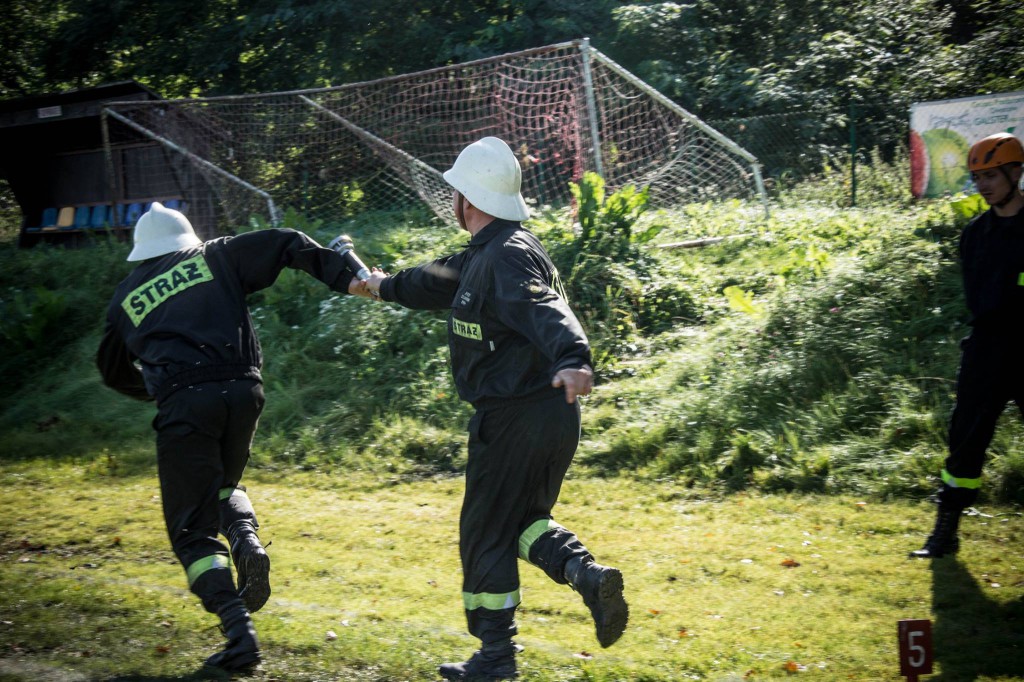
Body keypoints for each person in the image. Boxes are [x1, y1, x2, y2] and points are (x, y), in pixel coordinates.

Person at [349, 137, 629, 680]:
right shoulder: (483, 256)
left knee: (484, 532)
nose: (453, 199)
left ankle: (496, 658)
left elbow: (547, 310)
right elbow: (427, 282)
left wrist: (574, 358)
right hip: (542, 416)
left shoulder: (508, 256)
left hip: (517, 416)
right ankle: (587, 575)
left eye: (455, 190)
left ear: (467, 198)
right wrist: (378, 286)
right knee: (520, 523)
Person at [97, 202, 360, 672]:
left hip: (185, 403)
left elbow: (112, 372)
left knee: (191, 531)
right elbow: (287, 243)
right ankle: (245, 538)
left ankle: (240, 636)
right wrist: (344, 277)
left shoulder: (124, 297)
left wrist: (162, 388)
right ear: (186, 239)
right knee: (222, 484)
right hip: (244, 389)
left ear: (142, 252)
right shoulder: (216, 256)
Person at [910, 132, 1024, 559]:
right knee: (963, 442)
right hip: (987, 351)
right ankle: (945, 534)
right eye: (977, 177)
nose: (984, 185)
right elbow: (981, 298)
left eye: (991, 175)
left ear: (1015, 171)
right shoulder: (975, 234)